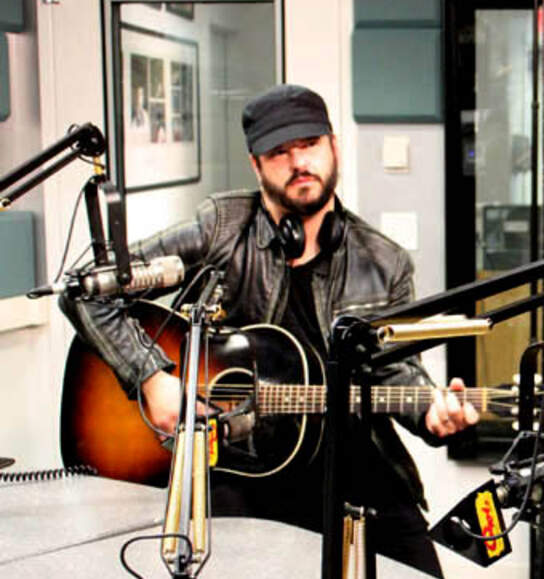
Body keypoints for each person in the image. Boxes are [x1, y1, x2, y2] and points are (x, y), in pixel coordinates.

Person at [60, 84, 476, 577]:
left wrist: (432, 411)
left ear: (334, 147)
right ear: (256, 165)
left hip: (353, 463)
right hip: (239, 465)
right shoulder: (220, 230)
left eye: (310, 145)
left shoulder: (383, 261)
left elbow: (396, 371)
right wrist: (152, 378)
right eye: (280, 152)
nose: (299, 162)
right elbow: (86, 289)